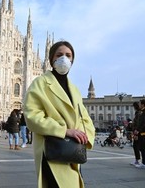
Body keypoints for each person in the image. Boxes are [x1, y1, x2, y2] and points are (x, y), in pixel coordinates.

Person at [23, 41, 95, 188]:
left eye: (68, 55)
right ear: (51, 59)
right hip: (52, 149)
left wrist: (84, 135)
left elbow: (85, 117)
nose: (64, 58)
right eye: (59, 55)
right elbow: (32, 116)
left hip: (73, 150)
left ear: (72, 60)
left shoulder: (74, 89)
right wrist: (64, 131)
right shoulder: (40, 83)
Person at [135, 99, 145, 169]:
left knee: (143, 148)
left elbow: (144, 124)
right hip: (141, 132)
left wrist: (139, 130)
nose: (139, 105)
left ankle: (144, 163)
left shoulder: (144, 112)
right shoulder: (142, 112)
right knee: (142, 147)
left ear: (143, 104)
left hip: (143, 133)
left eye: (139, 103)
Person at [131, 102, 142, 166]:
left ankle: (137, 160)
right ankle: (137, 160)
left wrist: (136, 131)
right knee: (138, 146)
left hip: (137, 132)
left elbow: (138, 123)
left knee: (136, 146)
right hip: (137, 131)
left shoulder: (138, 113)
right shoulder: (139, 112)